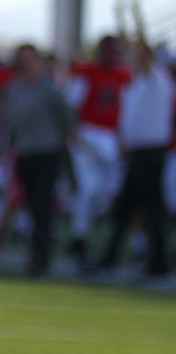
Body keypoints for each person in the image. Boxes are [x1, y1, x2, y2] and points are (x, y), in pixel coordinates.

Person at [97, 6, 174, 280]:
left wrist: (136, 18)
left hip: (150, 154)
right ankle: (113, 260)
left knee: (150, 210)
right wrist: (122, 20)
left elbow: (141, 49)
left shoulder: (158, 79)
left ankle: (158, 263)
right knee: (127, 208)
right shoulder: (139, 82)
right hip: (137, 153)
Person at [0, 44, 75, 277]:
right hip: (26, 154)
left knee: (42, 205)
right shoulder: (14, 90)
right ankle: (36, 253)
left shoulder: (50, 91)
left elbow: (66, 123)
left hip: (47, 154)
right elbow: (10, 123)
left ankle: (41, 257)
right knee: (31, 206)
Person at [65, 35, 131, 268]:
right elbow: (71, 106)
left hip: (112, 137)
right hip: (88, 133)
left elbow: (128, 110)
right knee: (86, 189)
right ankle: (79, 237)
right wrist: (72, 132)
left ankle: (88, 233)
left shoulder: (125, 76)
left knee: (108, 191)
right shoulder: (87, 74)